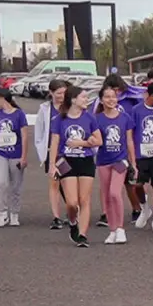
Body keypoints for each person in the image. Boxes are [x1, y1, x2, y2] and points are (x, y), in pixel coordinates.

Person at [48, 85, 103, 247]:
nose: (86, 100)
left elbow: (99, 140)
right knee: (72, 202)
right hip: (66, 161)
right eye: (83, 97)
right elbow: (55, 142)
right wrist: (52, 165)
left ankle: (83, 234)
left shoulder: (90, 118)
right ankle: (73, 221)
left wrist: (83, 143)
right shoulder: (59, 119)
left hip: (85, 160)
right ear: (73, 99)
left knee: (84, 199)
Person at [94, 84, 136, 244]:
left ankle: (120, 228)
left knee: (114, 193)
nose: (111, 100)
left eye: (113, 96)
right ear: (101, 100)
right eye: (107, 97)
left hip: (121, 160)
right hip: (103, 160)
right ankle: (112, 230)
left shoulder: (125, 118)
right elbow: (94, 139)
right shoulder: (97, 119)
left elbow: (130, 140)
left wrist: (134, 162)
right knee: (106, 196)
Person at [130, 81, 153, 233]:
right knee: (137, 186)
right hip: (141, 153)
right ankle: (145, 209)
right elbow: (131, 132)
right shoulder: (137, 110)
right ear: (150, 95)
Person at [34, 79, 70, 230]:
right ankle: (56, 216)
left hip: (70, 151)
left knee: (69, 184)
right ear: (51, 93)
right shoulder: (45, 109)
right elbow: (40, 130)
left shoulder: (71, 107)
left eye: (64, 93)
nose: (61, 96)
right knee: (54, 183)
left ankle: (72, 212)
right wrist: (43, 149)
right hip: (53, 152)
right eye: (58, 93)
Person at [0, 89, 28, 227]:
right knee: (0, 182)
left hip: (16, 154)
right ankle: (2, 213)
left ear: (2, 98)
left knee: (16, 185)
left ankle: (14, 213)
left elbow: (24, 136)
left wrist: (24, 156)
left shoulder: (19, 114)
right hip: (0, 153)